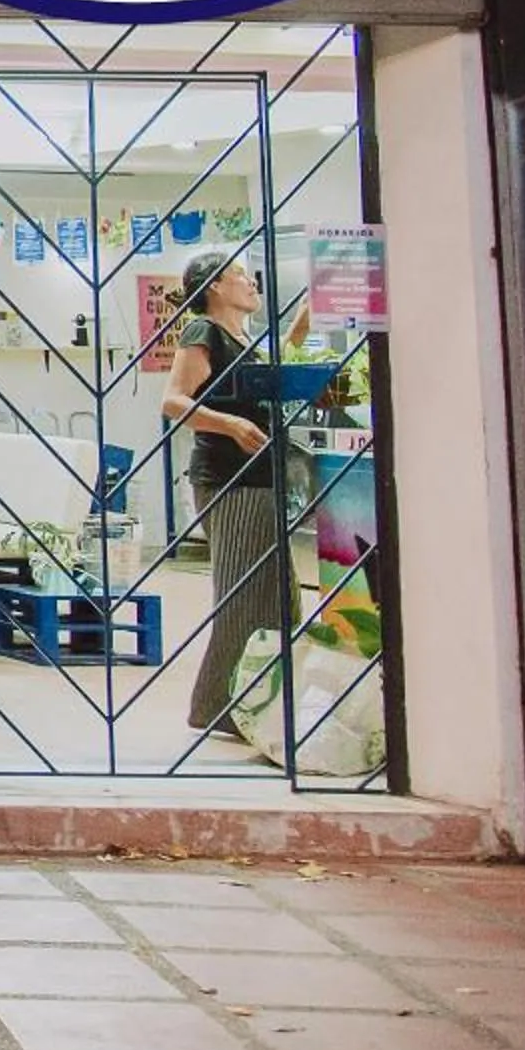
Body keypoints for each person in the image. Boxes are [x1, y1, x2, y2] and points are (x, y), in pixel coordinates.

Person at [162, 251, 309, 739]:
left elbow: (274, 373)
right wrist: (229, 423)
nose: (250, 283)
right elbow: (174, 400)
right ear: (215, 288)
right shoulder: (203, 332)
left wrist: (306, 319)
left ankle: (260, 700)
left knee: (278, 597)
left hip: (263, 477)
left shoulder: (245, 340)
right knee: (243, 594)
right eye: (239, 276)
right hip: (232, 480)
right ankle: (215, 703)